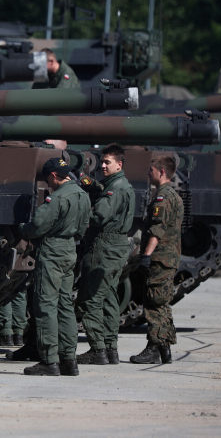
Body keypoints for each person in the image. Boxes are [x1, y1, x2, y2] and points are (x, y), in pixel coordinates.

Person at [7, 158, 90, 376]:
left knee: (46, 305)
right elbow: (83, 227)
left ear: (53, 176)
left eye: (47, 179)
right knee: (65, 305)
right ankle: (69, 360)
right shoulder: (82, 194)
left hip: (52, 250)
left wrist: (23, 229)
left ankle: (49, 360)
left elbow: (38, 226)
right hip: (70, 249)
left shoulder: (57, 197)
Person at [75, 144, 135, 365]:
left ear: (119, 164)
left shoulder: (115, 189)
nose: (102, 166)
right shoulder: (119, 185)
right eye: (102, 162)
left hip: (105, 245)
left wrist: (77, 213)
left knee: (89, 298)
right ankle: (110, 348)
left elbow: (99, 216)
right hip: (116, 245)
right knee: (109, 297)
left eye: (107, 162)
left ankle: (97, 349)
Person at [130, 156, 182, 364]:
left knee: (153, 304)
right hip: (168, 258)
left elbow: (157, 230)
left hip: (160, 258)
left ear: (162, 172)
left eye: (151, 170)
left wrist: (147, 256)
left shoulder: (163, 197)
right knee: (162, 303)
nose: (148, 173)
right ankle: (164, 349)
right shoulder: (173, 196)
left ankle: (153, 348)